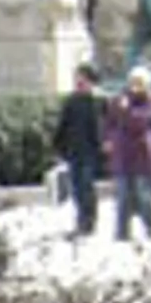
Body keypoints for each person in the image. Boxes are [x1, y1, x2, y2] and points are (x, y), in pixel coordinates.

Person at [108, 67, 151, 244]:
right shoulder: (119, 100)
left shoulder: (149, 102)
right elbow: (110, 122)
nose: (135, 86)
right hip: (123, 155)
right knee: (123, 194)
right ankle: (122, 231)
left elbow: (141, 121)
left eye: (140, 83)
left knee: (144, 195)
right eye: (133, 81)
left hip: (142, 155)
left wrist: (125, 110)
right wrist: (109, 139)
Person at [52, 62, 106, 240]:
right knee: (75, 188)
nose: (78, 81)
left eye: (81, 77)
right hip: (74, 151)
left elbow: (106, 125)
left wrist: (105, 144)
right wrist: (58, 147)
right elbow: (63, 125)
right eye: (77, 77)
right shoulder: (72, 101)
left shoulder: (98, 101)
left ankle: (88, 221)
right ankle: (81, 219)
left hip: (90, 151)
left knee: (86, 186)